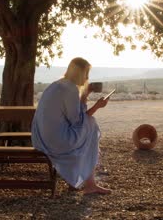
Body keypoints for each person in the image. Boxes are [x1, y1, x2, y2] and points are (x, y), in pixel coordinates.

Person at [31, 57, 111, 195]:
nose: (87, 77)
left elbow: (72, 118)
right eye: (86, 73)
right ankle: (90, 184)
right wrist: (97, 106)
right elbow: (78, 121)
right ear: (79, 73)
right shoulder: (70, 89)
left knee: (88, 127)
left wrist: (86, 94)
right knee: (91, 126)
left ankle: (77, 181)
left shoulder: (57, 84)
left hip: (41, 138)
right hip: (56, 141)